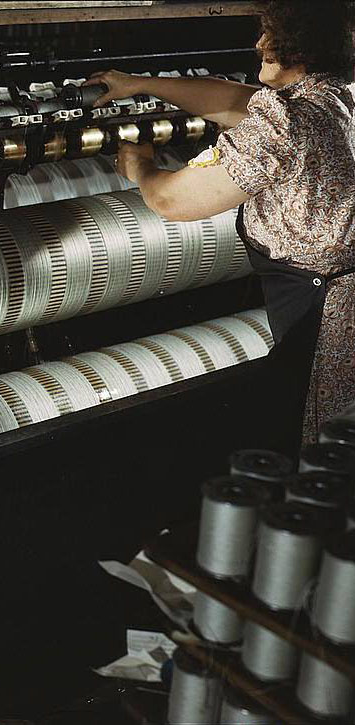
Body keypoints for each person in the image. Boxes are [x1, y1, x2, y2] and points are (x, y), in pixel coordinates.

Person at [85, 0, 355, 444]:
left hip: (323, 312)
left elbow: (172, 202)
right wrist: (138, 84)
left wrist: (140, 168)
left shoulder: (286, 125)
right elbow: (232, 100)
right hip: (334, 293)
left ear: (300, 50)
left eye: (269, 41)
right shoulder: (335, 97)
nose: (258, 45)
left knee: (319, 440)